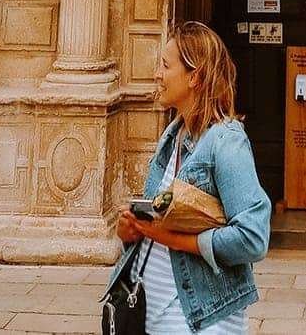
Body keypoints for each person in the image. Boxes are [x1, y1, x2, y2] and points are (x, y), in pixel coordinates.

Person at [111, 21, 271, 333]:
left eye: (165, 66)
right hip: (152, 315)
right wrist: (130, 230)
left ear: (195, 76)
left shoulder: (226, 140)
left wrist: (168, 237)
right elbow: (158, 219)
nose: (157, 74)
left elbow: (253, 239)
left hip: (200, 321)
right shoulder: (173, 136)